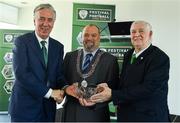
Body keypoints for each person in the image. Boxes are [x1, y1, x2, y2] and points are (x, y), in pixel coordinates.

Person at [91, 20, 170, 122]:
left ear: (150, 34)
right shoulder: (128, 55)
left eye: (141, 31)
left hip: (149, 118)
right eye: (133, 32)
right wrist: (107, 86)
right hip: (126, 116)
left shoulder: (159, 58)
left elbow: (148, 88)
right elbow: (125, 82)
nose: (136, 34)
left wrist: (113, 94)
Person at [9, 4, 67, 122]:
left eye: (50, 20)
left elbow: (58, 75)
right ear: (34, 20)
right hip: (24, 110)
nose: (45, 24)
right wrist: (50, 93)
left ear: (53, 23)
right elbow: (22, 74)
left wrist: (64, 89)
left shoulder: (58, 47)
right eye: (41, 19)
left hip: (48, 111)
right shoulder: (21, 42)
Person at [62, 24, 119, 122]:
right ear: (82, 37)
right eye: (86, 35)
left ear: (99, 37)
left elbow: (113, 90)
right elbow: (61, 79)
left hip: (96, 115)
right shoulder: (69, 56)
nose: (89, 38)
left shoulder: (110, 60)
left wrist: (95, 102)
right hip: (71, 113)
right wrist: (66, 88)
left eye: (93, 35)